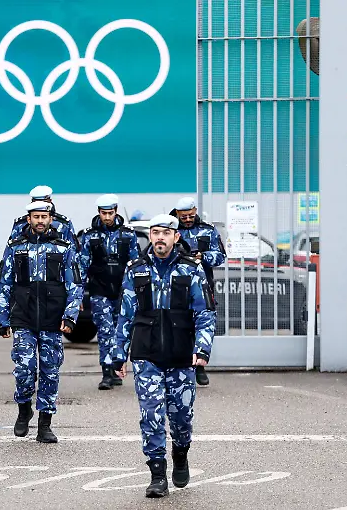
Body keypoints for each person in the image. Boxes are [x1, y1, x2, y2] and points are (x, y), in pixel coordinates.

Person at [111, 213, 216, 498]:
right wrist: (119, 354)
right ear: (151, 236)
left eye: (165, 233)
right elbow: (125, 315)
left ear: (176, 237)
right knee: (151, 415)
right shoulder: (136, 270)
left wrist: (202, 348)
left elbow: (204, 314)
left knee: (181, 417)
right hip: (146, 354)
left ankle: (180, 453)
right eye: (155, 232)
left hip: (181, 354)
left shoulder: (191, 269)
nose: (160, 238)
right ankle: (157, 474)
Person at [0, 201, 83, 443]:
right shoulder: (15, 247)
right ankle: (24, 408)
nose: (40, 221)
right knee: (24, 369)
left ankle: (45, 424)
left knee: (49, 372)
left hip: (52, 318)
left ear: (50, 219)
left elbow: (74, 285)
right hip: (23, 317)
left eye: (44, 217)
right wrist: (3, 318)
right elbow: (4, 284)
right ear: (29, 219)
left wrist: (70, 316)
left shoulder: (63, 248)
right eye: (36, 217)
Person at [78, 194, 139, 390]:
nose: (107, 217)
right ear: (99, 212)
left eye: (110, 213)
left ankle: (117, 367)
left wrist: (137, 292)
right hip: (100, 290)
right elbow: (82, 267)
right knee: (105, 332)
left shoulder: (128, 234)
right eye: (103, 213)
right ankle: (106, 372)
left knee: (121, 331)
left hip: (123, 291)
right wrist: (78, 295)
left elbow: (136, 265)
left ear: (116, 211)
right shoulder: (89, 235)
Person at [169, 197, 225, 386]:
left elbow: (220, 256)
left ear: (195, 211)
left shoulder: (208, 230)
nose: (187, 219)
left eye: (190, 216)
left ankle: (199, 365)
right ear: (177, 214)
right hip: (176, 286)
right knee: (178, 325)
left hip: (202, 285)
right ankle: (181, 365)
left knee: (201, 324)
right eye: (183, 217)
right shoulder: (169, 229)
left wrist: (204, 257)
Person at [8, 185, 78, 247]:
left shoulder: (64, 223)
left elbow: (73, 249)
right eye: (37, 203)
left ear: (50, 201)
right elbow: (12, 247)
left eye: (44, 202)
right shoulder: (20, 224)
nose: (40, 205)